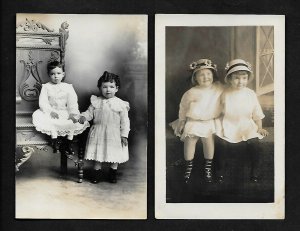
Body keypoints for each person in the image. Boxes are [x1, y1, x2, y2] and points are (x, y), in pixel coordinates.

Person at [170, 59, 224, 183]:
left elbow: (229, 90)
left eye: (209, 74)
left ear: (213, 75)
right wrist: (182, 121)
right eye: (201, 75)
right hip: (194, 120)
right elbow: (183, 108)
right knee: (190, 139)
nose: (206, 77)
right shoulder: (191, 93)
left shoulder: (219, 88)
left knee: (208, 140)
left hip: (209, 120)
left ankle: (208, 167)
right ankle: (188, 166)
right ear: (195, 78)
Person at [215, 59, 269, 183]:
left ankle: (255, 172)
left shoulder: (250, 94)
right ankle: (220, 172)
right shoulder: (224, 93)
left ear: (248, 78)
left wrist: (259, 127)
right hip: (228, 123)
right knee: (221, 144)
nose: (241, 82)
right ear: (229, 79)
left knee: (255, 144)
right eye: (236, 78)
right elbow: (217, 111)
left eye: (244, 78)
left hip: (246, 124)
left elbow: (257, 112)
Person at [78, 71, 130, 184]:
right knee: (98, 154)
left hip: (114, 133)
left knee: (114, 155)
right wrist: (83, 117)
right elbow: (89, 114)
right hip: (98, 132)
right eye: (105, 87)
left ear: (117, 88)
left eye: (111, 87)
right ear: (100, 88)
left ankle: (113, 173)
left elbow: (125, 122)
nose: (108, 90)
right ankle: (96, 173)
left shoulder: (120, 104)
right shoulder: (96, 102)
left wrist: (124, 135)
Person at [32, 61, 89, 154]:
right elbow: (43, 102)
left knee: (73, 121)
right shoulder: (46, 87)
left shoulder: (68, 87)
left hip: (64, 111)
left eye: (58, 73)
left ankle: (68, 142)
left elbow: (72, 102)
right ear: (49, 75)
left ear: (63, 74)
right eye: (52, 74)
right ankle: (54, 141)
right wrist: (50, 111)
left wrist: (72, 113)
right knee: (50, 120)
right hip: (51, 111)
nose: (56, 76)